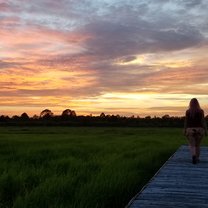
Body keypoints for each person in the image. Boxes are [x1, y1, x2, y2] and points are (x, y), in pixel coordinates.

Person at [184, 98, 207, 164]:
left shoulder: (188, 111)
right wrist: (206, 130)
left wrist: (184, 129)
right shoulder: (201, 111)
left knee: (192, 145)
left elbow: (186, 122)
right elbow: (203, 121)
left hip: (190, 130)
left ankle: (193, 155)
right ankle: (197, 158)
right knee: (198, 145)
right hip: (200, 130)